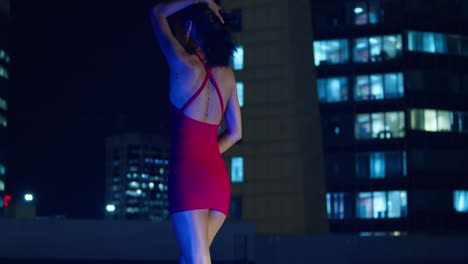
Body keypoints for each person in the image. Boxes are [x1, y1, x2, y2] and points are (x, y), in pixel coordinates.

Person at [150, 1, 242, 263]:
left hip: (188, 177)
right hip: (217, 181)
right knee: (191, 257)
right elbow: (235, 133)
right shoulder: (227, 75)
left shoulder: (182, 64)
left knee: (198, 259)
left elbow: (156, 13)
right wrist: (208, 153)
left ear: (188, 27)